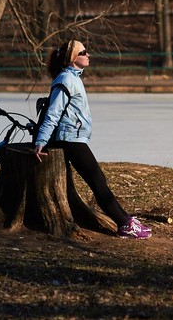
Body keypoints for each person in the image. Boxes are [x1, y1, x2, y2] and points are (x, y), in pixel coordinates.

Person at [33, 40, 152, 240]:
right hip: (70, 139)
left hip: (74, 137)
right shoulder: (66, 80)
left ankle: (125, 219)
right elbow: (53, 114)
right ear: (73, 59)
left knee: (99, 181)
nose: (88, 55)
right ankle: (124, 224)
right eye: (84, 52)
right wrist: (40, 141)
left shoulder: (72, 78)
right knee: (98, 182)